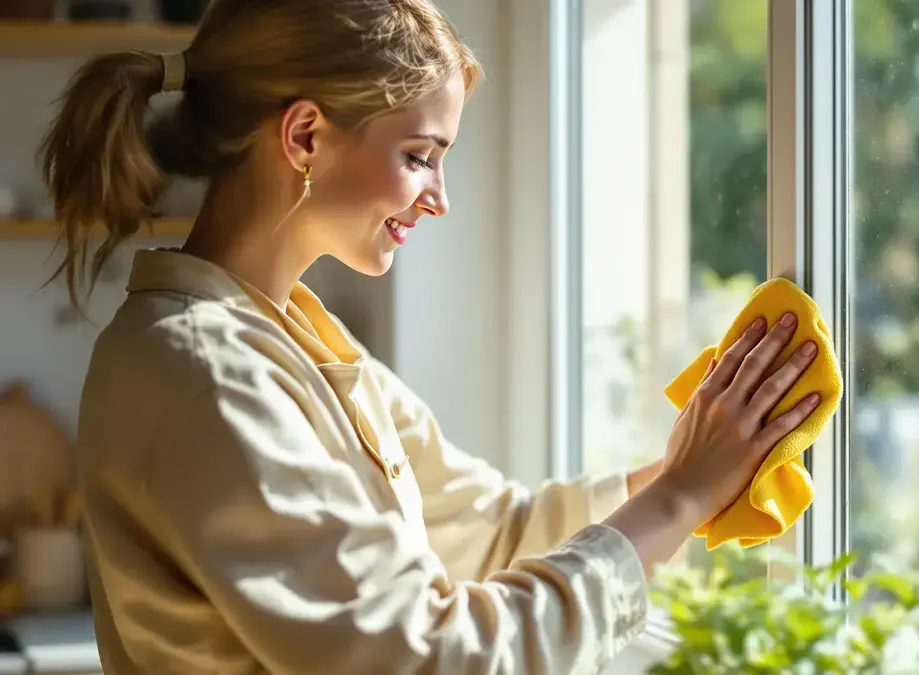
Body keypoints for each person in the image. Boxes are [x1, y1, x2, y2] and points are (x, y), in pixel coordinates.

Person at [39, 1, 823, 673]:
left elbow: (494, 533)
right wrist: (682, 494)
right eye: (420, 157)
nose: (438, 199)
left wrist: (695, 464)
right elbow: (427, 658)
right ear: (306, 135)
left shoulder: (299, 341)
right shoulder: (203, 376)